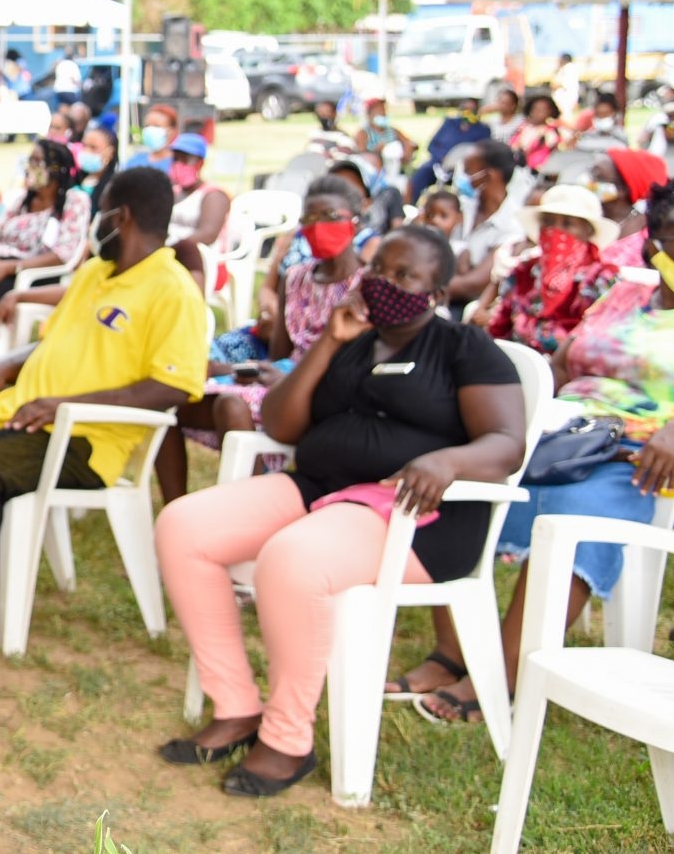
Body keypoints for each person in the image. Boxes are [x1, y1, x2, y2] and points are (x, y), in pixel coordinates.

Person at [155, 224, 525, 796]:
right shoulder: (353, 341)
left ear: (437, 292)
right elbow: (282, 425)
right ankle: (236, 705)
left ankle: (287, 738)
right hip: (319, 487)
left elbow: (506, 443)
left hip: (412, 512)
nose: (385, 283)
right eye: (379, 270)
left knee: (294, 559)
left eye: (404, 275)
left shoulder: (463, 348)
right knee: (183, 527)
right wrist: (329, 341)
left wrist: (448, 461)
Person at [411, 179, 674, 724]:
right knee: (466, 488)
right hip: (572, 440)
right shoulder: (623, 297)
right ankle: (453, 652)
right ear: (656, 246)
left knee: (578, 512)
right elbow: (561, 366)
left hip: (668, 465)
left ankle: (504, 675)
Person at [0, 168, 207, 657]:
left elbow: (173, 386)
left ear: (121, 217)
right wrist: (4, 366)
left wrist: (67, 405)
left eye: (102, 213)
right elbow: (55, 341)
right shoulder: (95, 273)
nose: (97, 224)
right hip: (23, 409)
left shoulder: (174, 290)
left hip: (87, 439)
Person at [163, 177, 368, 501]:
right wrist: (250, 371)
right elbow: (279, 355)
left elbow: (358, 363)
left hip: (327, 390)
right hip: (280, 381)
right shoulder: (296, 277)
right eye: (309, 218)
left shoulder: (366, 286)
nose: (318, 226)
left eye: (330, 216)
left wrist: (285, 378)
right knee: (172, 400)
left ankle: (252, 504)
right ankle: (176, 508)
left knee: (232, 405)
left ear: (355, 221)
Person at [0, 139, 90, 351]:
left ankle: (2, 353)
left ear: (56, 168)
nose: (29, 167)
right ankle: (0, 349)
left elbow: (63, 254)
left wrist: (10, 268)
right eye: (30, 160)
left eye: (36, 161)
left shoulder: (74, 201)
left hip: (33, 272)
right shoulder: (23, 200)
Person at [478, 183, 619, 356]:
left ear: (587, 231)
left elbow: (598, 341)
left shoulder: (601, 278)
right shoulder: (524, 272)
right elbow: (499, 327)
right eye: (548, 222)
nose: (555, 231)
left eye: (568, 224)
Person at [445, 139, 522, 308]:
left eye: (467, 171)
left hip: (470, 306)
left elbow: (473, 284)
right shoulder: (461, 206)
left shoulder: (513, 224)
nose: (461, 177)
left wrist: (421, 289)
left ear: (489, 176)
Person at [165, 133, 231, 291]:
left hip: (202, 264)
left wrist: (171, 247)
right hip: (169, 257)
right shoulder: (172, 192)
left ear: (200, 163)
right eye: (176, 159)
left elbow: (208, 235)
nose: (179, 164)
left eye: (185, 159)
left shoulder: (214, 195)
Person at [406, 97, 489, 203]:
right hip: (440, 162)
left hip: (465, 168)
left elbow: (483, 152)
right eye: (465, 109)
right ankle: (409, 203)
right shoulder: (450, 124)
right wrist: (442, 157)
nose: (467, 113)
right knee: (421, 174)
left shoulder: (482, 130)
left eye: (471, 110)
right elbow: (432, 145)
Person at [355, 97, 412, 174]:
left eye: (384, 110)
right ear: (369, 114)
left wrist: (407, 150)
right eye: (379, 110)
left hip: (395, 168)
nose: (383, 113)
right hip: (374, 171)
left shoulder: (393, 131)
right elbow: (361, 155)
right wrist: (376, 152)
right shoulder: (363, 133)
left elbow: (409, 142)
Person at [509, 93, 563, 170]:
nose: (537, 112)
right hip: (520, 168)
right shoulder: (523, 128)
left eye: (542, 110)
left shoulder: (551, 131)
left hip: (542, 169)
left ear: (551, 112)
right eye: (535, 109)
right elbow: (513, 145)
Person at [135, 105, 179, 170]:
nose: (150, 130)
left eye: (156, 126)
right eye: (147, 126)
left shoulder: (178, 164)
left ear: (171, 131)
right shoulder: (134, 162)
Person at [552, 51, 582, 119]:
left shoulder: (569, 68)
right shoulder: (564, 68)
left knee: (565, 114)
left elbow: (565, 83)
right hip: (564, 96)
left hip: (566, 96)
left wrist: (555, 85)